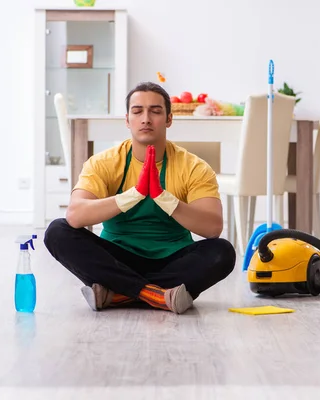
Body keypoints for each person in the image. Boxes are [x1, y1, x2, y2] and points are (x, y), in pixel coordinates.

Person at [44, 82, 236, 314]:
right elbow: (75, 216)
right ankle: (155, 295)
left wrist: (162, 197)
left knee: (222, 252)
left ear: (168, 119)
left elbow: (212, 228)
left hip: (172, 259)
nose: (146, 118)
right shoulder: (104, 163)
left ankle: (119, 293)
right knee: (57, 231)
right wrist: (132, 196)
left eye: (155, 111)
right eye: (137, 111)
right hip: (116, 259)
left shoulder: (194, 167)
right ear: (127, 120)